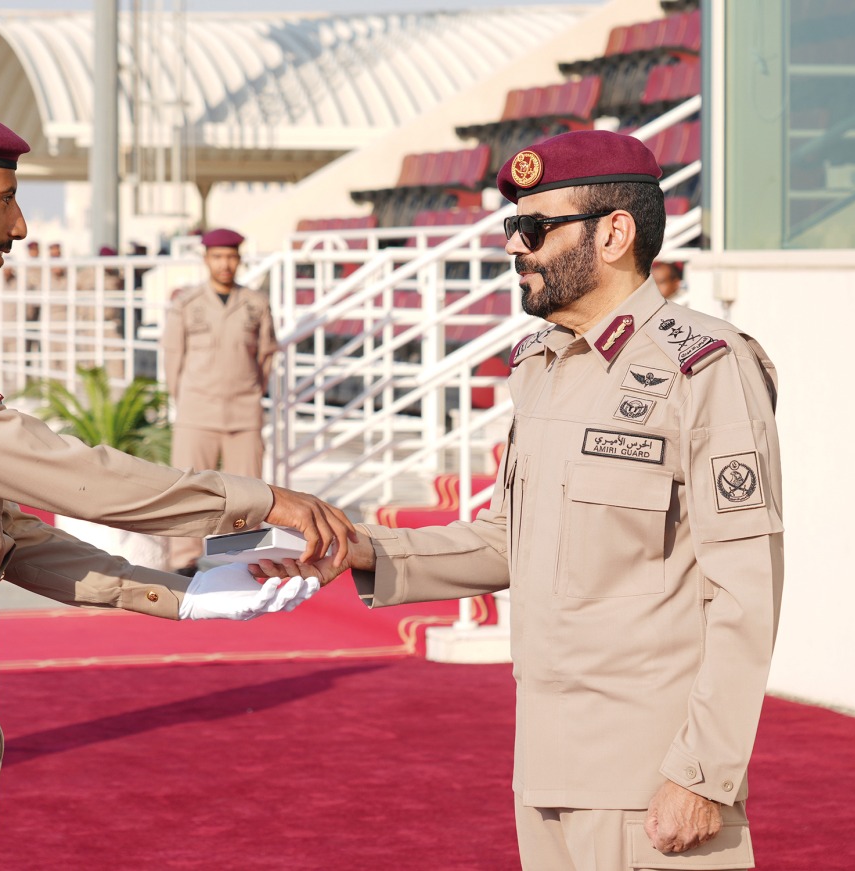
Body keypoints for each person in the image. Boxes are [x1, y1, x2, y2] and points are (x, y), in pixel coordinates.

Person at [0, 100, 353, 871]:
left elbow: (2, 534)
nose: (22, 226)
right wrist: (258, 499)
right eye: (7, 200)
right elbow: (69, 474)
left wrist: (175, 592)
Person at [261, 130, 782, 871]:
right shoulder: (540, 366)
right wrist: (362, 546)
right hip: (544, 772)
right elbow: (510, 539)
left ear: (614, 232)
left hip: (652, 780)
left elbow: (745, 595)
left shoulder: (705, 367)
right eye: (514, 227)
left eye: (534, 228)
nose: (514, 247)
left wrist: (702, 773)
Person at [162, 228, 278, 573]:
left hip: (244, 410)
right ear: (206, 259)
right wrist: (183, 399)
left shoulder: (256, 304)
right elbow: (173, 357)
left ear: (239, 259)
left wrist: (252, 392)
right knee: (187, 489)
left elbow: (266, 356)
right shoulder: (186, 304)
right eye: (217, 257)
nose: (224, 264)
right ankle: (184, 560)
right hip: (197, 410)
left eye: (230, 256)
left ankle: (243, 561)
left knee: (248, 493)